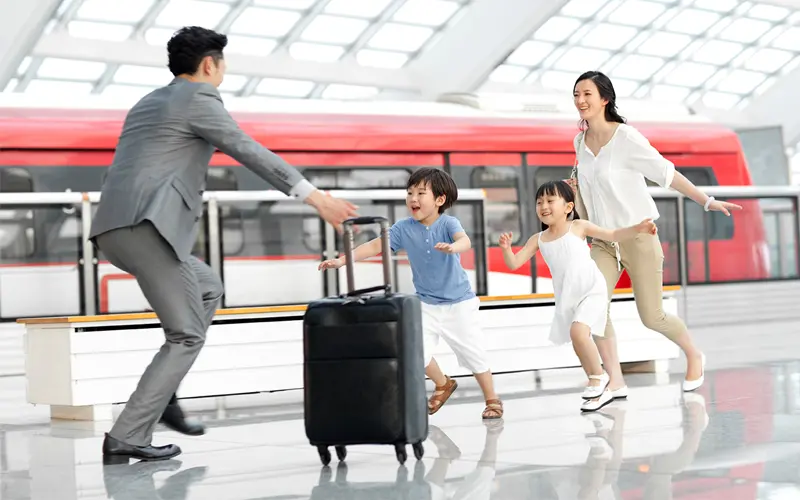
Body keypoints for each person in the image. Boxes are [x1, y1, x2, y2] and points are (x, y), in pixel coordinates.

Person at [91, 26, 358, 463]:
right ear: (209, 64)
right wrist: (316, 198)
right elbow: (245, 148)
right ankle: (128, 434)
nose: (224, 71)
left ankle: (162, 395)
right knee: (187, 334)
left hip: (115, 229)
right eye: (223, 63)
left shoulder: (148, 101)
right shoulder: (198, 98)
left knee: (208, 285)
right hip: (148, 228)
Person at [567, 70, 742, 398]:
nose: (580, 101)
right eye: (576, 95)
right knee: (594, 308)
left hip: (638, 236)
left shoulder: (627, 138)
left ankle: (693, 354)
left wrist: (706, 200)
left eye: (587, 94)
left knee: (653, 316)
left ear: (605, 98)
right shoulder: (580, 142)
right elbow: (588, 192)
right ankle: (616, 382)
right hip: (603, 240)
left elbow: (666, 174)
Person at [318, 168, 503, 420]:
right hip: (426, 304)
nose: (413, 198)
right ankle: (443, 384)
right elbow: (374, 246)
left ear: (439, 200)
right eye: (410, 193)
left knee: (474, 354)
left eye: (420, 193)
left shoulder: (448, 223)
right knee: (417, 351)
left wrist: (453, 247)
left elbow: (465, 241)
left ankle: (492, 400)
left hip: (460, 304)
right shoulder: (403, 228)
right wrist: (341, 261)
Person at [499, 180, 657, 411]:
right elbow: (514, 263)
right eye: (539, 202)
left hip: (592, 289)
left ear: (568, 207)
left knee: (578, 331)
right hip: (569, 297)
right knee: (578, 337)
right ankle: (598, 378)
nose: (544, 206)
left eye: (550, 201)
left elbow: (612, 233)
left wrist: (638, 228)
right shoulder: (538, 239)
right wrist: (506, 249)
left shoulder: (578, 227)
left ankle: (598, 377)